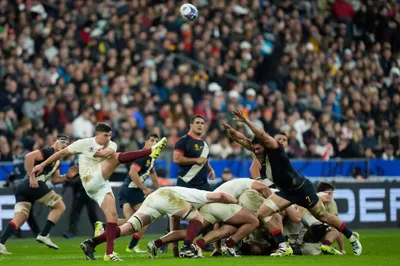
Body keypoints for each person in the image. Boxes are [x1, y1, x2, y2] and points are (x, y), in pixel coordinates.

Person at [226, 108, 362, 256]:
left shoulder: (275, 149)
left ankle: (351, 236)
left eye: (258, 149)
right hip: (287, 192)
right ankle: (284, 246)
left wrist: (246, 121)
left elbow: (262, 135)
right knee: (263, 213)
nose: (256, 152)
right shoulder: (261, 154)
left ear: (264, 145)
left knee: (323, 216)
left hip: (302, 189)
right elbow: (243, 140)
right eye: (255, 150)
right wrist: (231, 132)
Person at [31, 122, 167, 261]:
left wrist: (105, 152)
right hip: (90, 179)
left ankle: (108, 253)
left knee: (112, 217)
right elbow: (61, 153)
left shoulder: (111, 144)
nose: (108, 138)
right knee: (115, 159)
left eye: (110, 135)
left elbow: (111, 151)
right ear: (97, 134)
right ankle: (150, 151)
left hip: (102, 184)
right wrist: (41, 165)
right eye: (105, 135)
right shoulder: (83, 143)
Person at [80, 186, 239, 259]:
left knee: (128, 228)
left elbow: (174, 221)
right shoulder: (204, 195)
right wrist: (235, 202)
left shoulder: (183, 204)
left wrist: (174, 248)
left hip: (155, 198)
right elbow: (220, 195)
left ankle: (92, 243)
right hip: (166, 195)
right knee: (198, 219)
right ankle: (188, 248)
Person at [0, 135, 78, 254]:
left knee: (20, 218)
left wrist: (68, 176)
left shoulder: (56, 160)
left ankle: (1, 243)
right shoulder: (48, 151)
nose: (65, 145)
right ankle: (44, 234)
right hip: (33, 184)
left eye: (67, 144)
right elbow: (28, 157)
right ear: (55, 142)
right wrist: (32, 177)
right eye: (63, 142)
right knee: (60, 206)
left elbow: (55, 180)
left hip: (23, 187)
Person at [171, 115, 216, 255]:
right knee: (176, 214)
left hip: (202, 183)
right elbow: (176, 159)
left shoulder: (204, 143)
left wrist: (209, 169)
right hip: (186, 182)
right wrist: (196, 160)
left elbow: (204, 160)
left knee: (210, 210)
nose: (200, 125)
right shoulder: (183, 141)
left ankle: (205, 242)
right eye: (197, 123)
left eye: (202, 123)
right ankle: (173, 245)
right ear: (191, 124)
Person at [118, 133, 161, 253]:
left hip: (126, 189)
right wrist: (144, 188)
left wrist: (160, 189)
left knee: (129, 221)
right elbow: (133, 172)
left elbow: (153, 173)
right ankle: (132, 246)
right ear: (146, 142)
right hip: (132, 190)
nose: (154, 143)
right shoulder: (143, 155)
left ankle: (104, 226)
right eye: (152, 140)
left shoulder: (151, 157)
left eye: (156, 141)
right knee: (146, 217)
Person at [62, 155, 100, 239]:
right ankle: (71, 232)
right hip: (79, 192)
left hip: (89, 192)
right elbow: (72, 177)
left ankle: (97, 231)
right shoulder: (76, 164)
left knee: (92, 213)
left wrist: (72, 182)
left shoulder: (91, 166)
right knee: (75, 213)